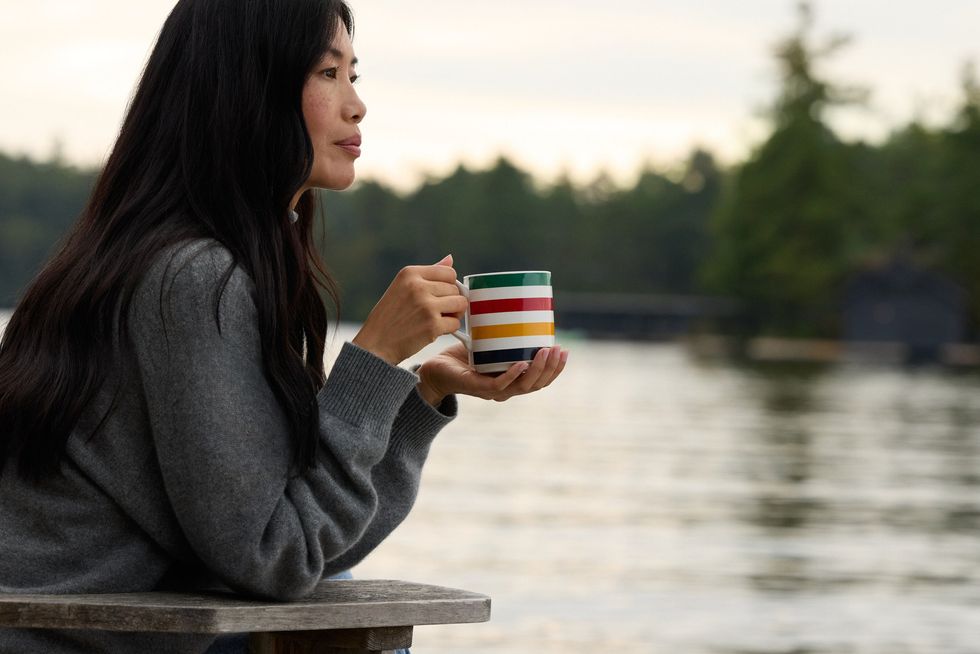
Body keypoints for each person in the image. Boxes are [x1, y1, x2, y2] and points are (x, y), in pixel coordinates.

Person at [0, 1, 568, 652]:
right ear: (250, 89)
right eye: (328, 73)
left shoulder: (199, 262)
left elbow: (307, 544)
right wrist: (374, 357)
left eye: (354, 75)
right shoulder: (192, 279)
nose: (357, 105)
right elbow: (277, 558)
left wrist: (424, 393)